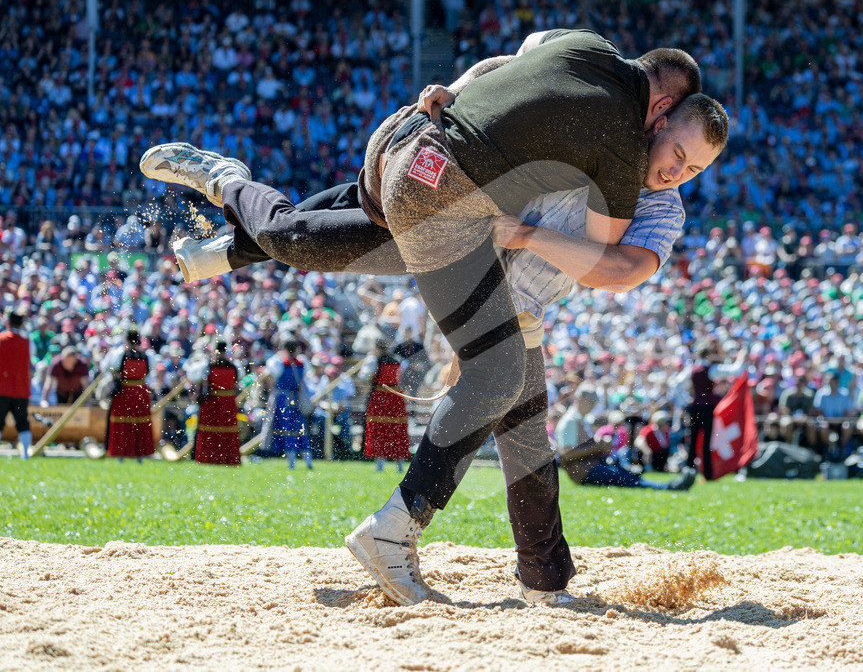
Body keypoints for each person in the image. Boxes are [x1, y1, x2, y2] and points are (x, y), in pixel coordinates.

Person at [141, 35, 716, 605]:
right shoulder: (598, 122)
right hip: (464, 230)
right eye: (678, 156)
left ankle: (542, 580)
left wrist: (532, 234)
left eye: (694, 170)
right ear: (658, 116)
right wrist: (463, 90)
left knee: (524, 430)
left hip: (503, 280)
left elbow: (622, 269)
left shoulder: (655, 197)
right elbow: (523, 62)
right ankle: (230, 212)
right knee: (305, 241)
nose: (677, 173)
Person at [557, 391, 695, 491]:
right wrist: (598, 446)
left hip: (591, 466)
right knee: (626, 478)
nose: (593, 406)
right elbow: (566, 454)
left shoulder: (579, 419)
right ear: (581, 399)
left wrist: (599, 445)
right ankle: (669, 487)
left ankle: (670, 485)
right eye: (591, 402)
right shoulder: (570, 421)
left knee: (629, 474)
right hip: (584, 472)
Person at [682, 342, 748, 478]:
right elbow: (736, 370)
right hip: (707, 408)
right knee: (707, 441)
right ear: (709, 355)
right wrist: (741, 356)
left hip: (694, 407)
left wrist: (686, 400)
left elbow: (676, 383)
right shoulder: (712, 369)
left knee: (693, 440)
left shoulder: (691, 369)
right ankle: (707, 473)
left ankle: (688, 470)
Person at [260, 337, 313, 470]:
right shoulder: (302, 362)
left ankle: (292, 463)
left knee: (287, 431)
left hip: (283, 400)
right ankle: (308, 461)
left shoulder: (279, 362)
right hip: (297, 399)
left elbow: (273, 371)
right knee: (300, 429)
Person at [105, 328, 155, 462]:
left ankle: (121, 455)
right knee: (139, 424)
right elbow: (149, 374)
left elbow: (110, 368)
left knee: (123, 423)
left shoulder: (121, 354)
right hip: (140, 392)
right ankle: (139, 455)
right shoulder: (147, 355)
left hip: (125, 391)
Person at [361, 337, 410, 472]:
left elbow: (364, 377)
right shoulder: (398, 359)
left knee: (379, 430)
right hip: (396, 396)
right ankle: (399, 465)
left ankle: (380, 465)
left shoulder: (373, 360)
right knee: (397, 429)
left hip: (380, 396)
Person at [193, 340, 241, 465]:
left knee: (211, 431)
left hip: (213, 402)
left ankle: (208, 458)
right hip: (228, 401)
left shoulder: (208, 366)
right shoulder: (234, 366)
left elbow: (197, 379)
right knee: (226, 431)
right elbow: (237, 381)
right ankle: (228, 458)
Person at [0, 310, 32, 459]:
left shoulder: (1, 339)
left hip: (2, 388)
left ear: (8, 323)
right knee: (22, 422)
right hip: (21, 389)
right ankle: (25, 454)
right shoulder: (28, 342)